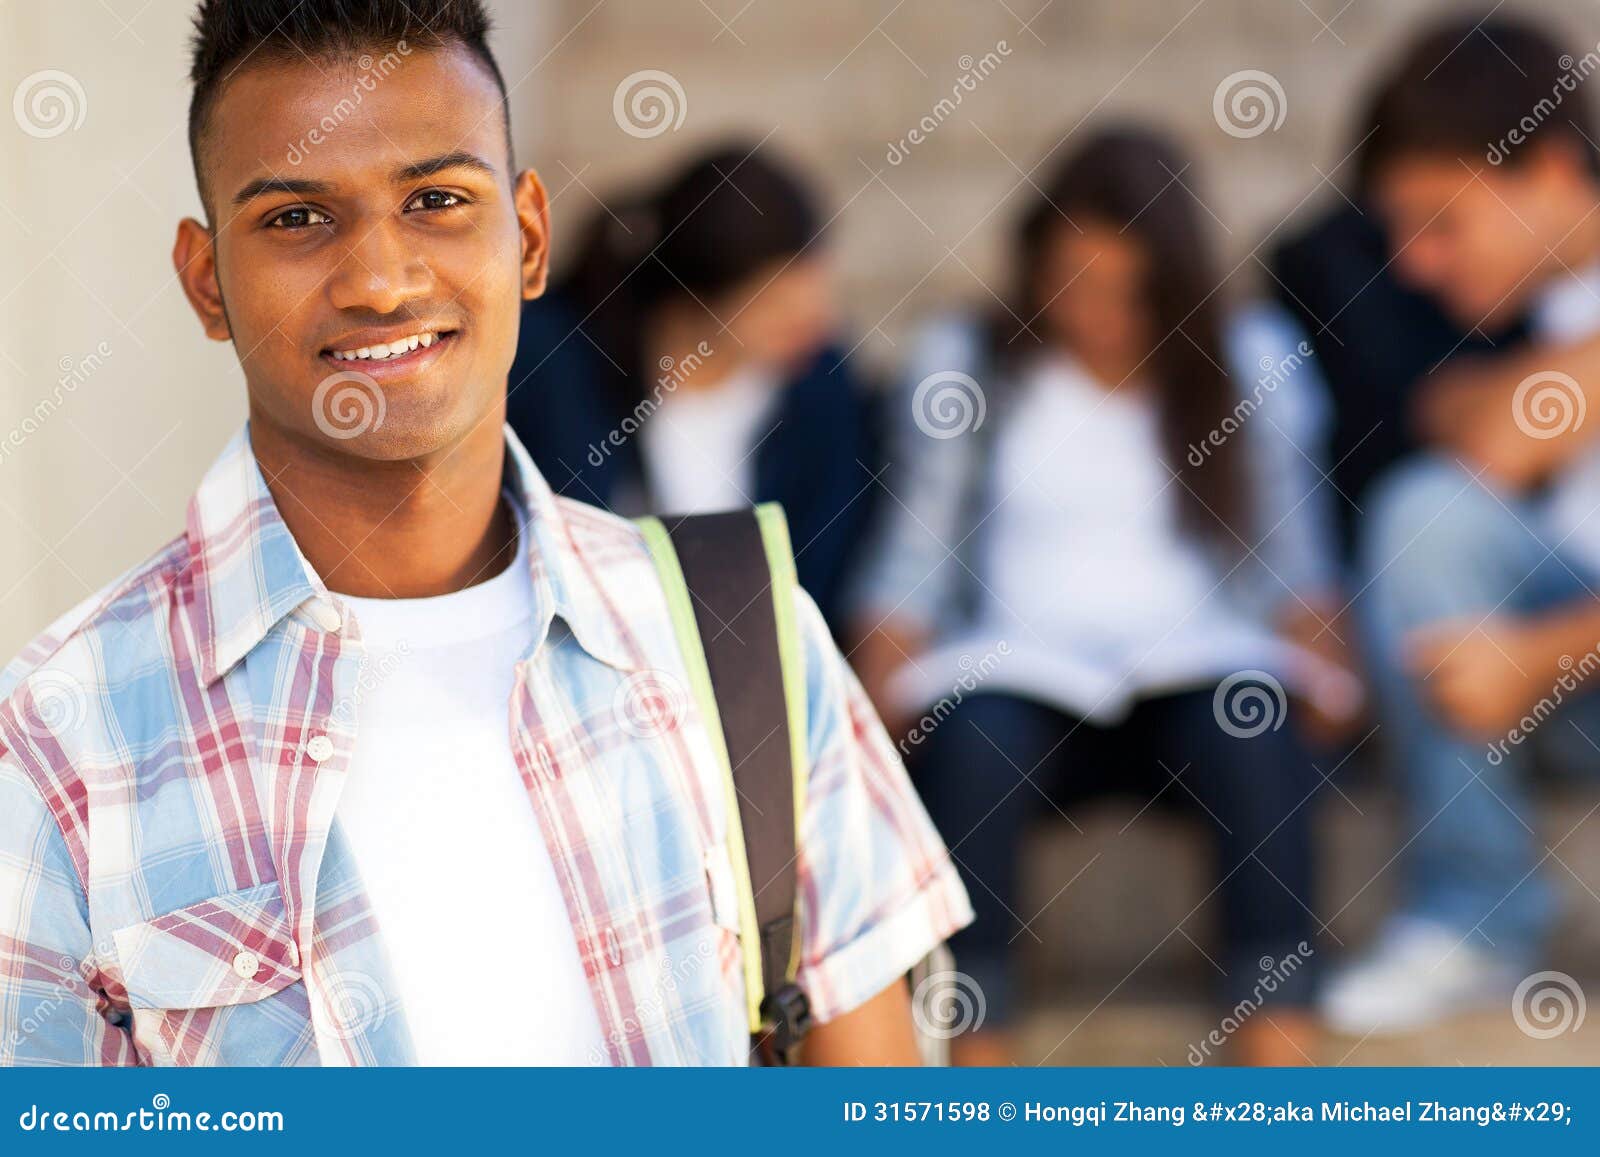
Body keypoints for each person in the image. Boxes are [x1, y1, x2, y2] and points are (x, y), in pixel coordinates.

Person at [0, 0, 970, 1067]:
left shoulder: (746, 640)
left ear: (530, 238)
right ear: (203, 281)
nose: (379, 280)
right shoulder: (58, 743)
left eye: (436, 199)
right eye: (294, 219)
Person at [849, 127, 1355, 1066]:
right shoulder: (968, 361)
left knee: (1252, 726)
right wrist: (879, 688)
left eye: (1126, 292)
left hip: (1191, 679)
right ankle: (975, 1030)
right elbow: (912, 557)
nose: (1096, 315)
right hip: (1021, 677)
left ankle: (1278, 1025)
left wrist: (1325, 675)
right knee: (976, 737)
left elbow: (1299, 558)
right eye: (1071, 282)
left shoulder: (1249, 359)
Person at [1318, 15, 1600, 1034]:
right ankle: (1477, 910)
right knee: (1422, 513)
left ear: (1553, 171)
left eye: (1441, 222)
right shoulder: (1541, 318)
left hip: (1556, 662)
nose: (1414, 263)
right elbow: (1477, 433)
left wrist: (1538, 655)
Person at [507, 146, 878, 635]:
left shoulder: (820, 385)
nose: (815, 326)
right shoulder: (556, 362)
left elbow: (819, 578)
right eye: (778, 307)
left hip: (755, 667)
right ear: (701, 292)